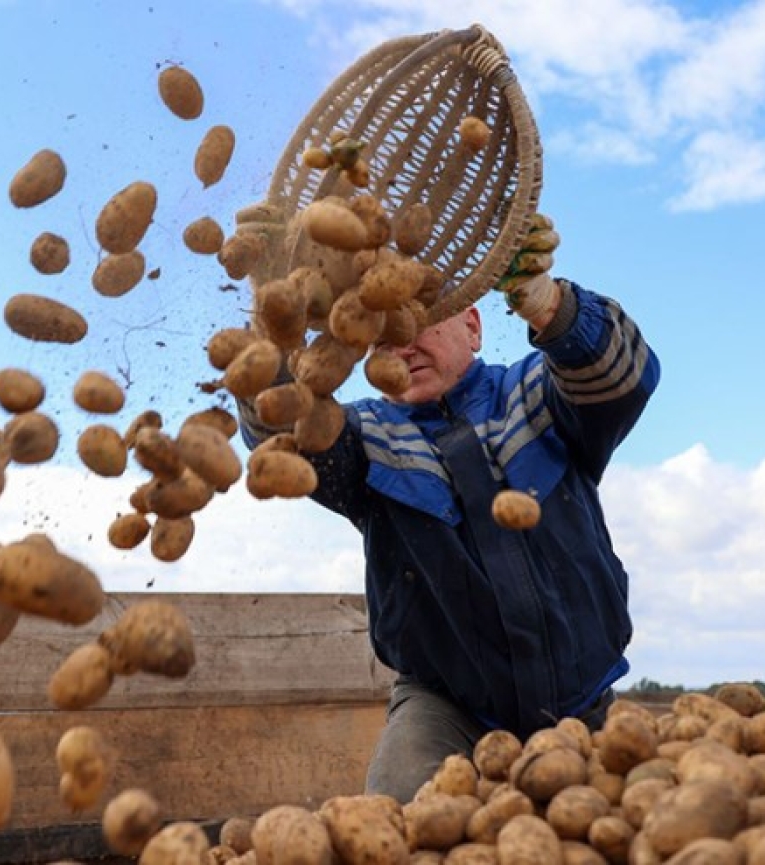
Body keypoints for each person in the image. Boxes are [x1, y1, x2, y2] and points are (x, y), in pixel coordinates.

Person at [237, 215, 660, 803]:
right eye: (382, 335)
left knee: (640, 815)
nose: (402, 346)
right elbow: (283, 442)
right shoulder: (365, 437)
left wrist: (548, 304)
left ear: (474, 325)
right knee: (401, 812)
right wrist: (274, 323)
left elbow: (623, 378)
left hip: (581, 699)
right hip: (444, 708)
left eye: (421, 322)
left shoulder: (538, 395)